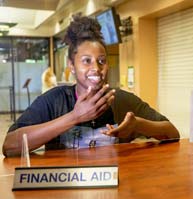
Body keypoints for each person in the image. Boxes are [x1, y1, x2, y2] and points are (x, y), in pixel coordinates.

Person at [2, 13, 179, 157]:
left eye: (102, 61)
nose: (96, 68)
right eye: (86, 61)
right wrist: (74, 117)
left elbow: (172, 134)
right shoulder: (54, 100)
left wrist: (138, 125)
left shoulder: (123, 100)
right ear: (71, 65)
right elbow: (9, 147)